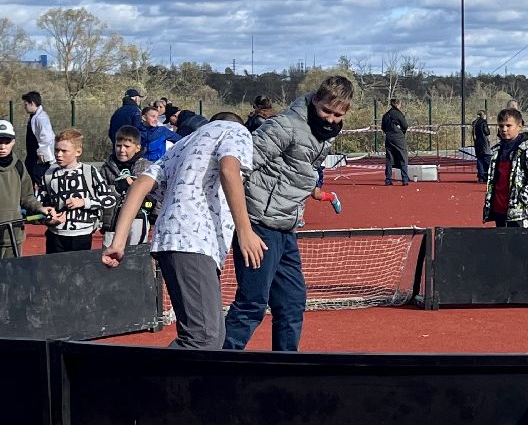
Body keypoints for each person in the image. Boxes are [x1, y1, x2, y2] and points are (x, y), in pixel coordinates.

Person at [102, 113, 265, 350]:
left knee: (213, 336)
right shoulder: (235, 130)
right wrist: (245, 231)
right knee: (203, 339)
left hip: (173, 238)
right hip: (193, 240)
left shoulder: (184, 144)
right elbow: (229, 170)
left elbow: (139, 185)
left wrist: (118, 242)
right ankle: (143, 385)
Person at [223, 76, 354, 352]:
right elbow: (239, 163)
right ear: (315, 100)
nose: (330, 119)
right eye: (326, 111)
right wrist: (244, 227)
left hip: (286, 226)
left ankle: (286, 365)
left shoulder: (324, 135)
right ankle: (216, 365)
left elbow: (300, 171)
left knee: (292, 302)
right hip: (259, 222)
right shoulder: (285, 125)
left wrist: (314, 191)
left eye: (337, 114)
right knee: (252, 304)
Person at [38, 128, 117, 254]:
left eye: (64, 151)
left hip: (82, 235)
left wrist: (84, 202)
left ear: (78, 152)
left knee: (78, 273)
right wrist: (48, 219)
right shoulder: (49, 175)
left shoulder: (89, 172)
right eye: (56, 150)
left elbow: (110, 199)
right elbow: (39, 205)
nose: (58, 154)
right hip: (55, 235)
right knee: (54, 273)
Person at [482, 107, 528, 227]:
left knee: (519, 244)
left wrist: (523, 198)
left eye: (508, 125)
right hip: (498, 207)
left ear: (520, 126)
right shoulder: (497, 150)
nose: (504, 129)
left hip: (518, 210)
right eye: (501, 126)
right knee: (502, 243)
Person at [99, 125, 153, 249]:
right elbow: (100, 192)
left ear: (137, 147)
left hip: (138, 217)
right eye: (118, 146)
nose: (122, 150)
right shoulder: (107, 168)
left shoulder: (146, 167)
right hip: (113, 220)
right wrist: (117, 189)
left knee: (135, 253)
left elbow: (154, 193)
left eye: (127, 146)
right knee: (109, 251)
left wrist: (133, 186)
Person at [0, 119, 48, 258]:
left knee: (12, 278)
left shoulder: (19, 167)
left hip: (14, 236)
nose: (2, 146)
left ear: (13, 142)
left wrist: (40, 208)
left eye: (6, 141)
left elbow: (27, 197)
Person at [22, 91, 54, 189]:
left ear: (32, 103)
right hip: (32, 156)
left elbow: (46, 138)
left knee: (38, 181)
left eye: (26, 104)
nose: (25, 107)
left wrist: (42, 155)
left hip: (38, 159)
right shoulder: (34, 117)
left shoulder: (41, 118)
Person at [381, 97, 411, 186]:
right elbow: (405, 125)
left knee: (389, 159)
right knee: (403, 157)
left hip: (389, 137)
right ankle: (405, 180)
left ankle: (388, 180)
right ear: (397, 104)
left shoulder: (386, 115)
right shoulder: (399, 114)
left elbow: (383, 127)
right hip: (399, 138)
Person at [472, 111, 492, 183]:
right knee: (487, 159)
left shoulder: (474, 123)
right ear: (484, 115)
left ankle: (481, 176)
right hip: (484, 142)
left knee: (480, 159)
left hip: (477, 143)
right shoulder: (483, 122)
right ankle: (488, 175)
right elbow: (486, 132)